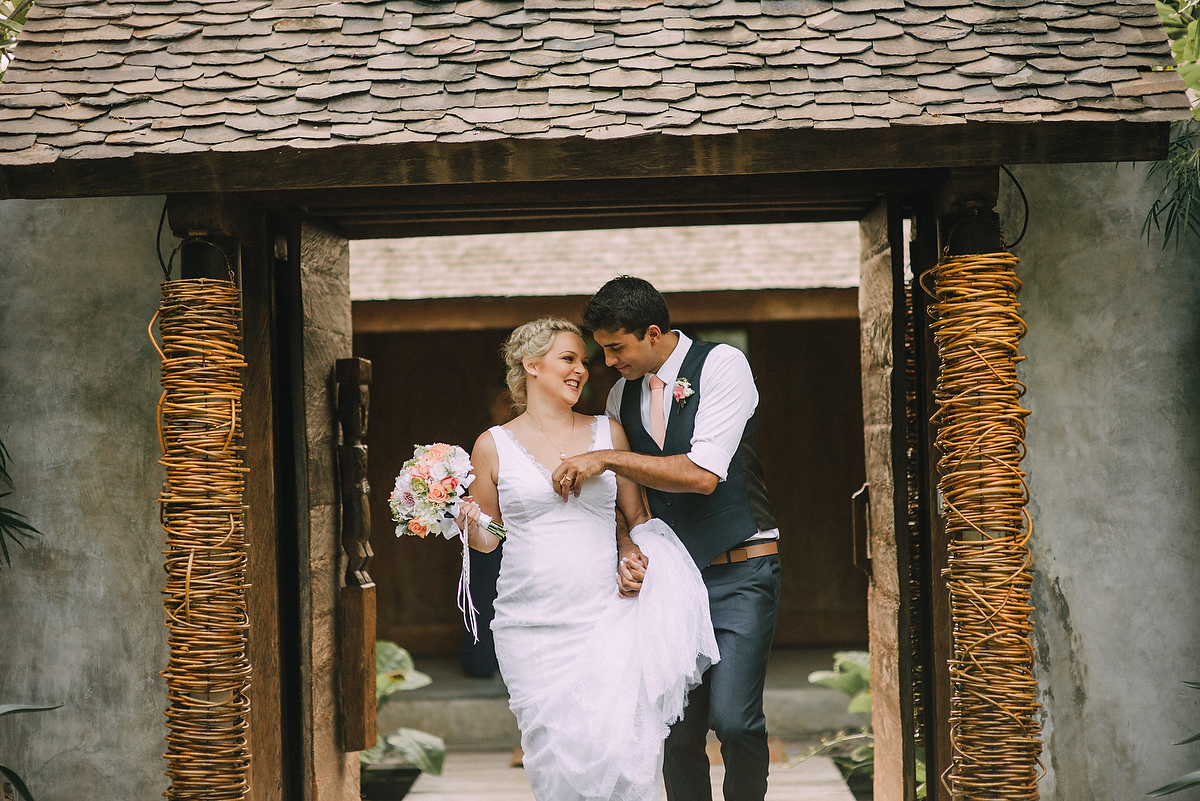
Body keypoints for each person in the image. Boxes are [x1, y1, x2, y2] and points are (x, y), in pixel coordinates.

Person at [456, 317, 719, 801]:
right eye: (569, 359)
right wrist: (471, 522)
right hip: (530, 626)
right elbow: (493, 537)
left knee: (624, 754)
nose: (582, 370)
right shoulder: (492, 445)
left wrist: (634, 557)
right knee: (553, 760)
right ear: (531, 366)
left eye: (584, 361)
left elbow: (636, 517)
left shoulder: (609, 432)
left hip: (608, 616)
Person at [552, 277, 781, 801]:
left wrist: (604, 456)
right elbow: (625, 495)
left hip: (741, 567)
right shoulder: (619, 394)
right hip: (672, 579)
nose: (608, 361)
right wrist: (627, 545)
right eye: (602, 349)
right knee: (677, 733)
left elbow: (703, 474)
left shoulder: (722, 364)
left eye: (617, 347)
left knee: (735, 722)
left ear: (653, 333)